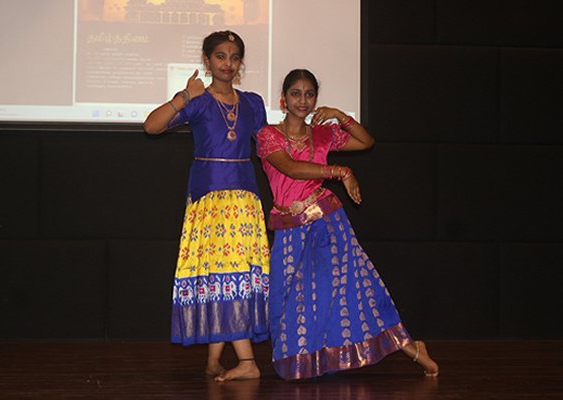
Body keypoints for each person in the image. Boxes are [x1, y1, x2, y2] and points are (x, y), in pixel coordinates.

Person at [256, 69, 439, 380]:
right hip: (288, 229)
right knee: (290, 297)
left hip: (325, 224)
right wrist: (340, 171)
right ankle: (309, 360)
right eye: (296, 93)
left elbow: (366, 141)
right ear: (283, 99)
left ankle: (410, 347)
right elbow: (290, 168)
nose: (303, 100)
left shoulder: (323, 134)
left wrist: (340, 115)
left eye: (309, 94)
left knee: (352, 288)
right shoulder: (268, 135)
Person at [144, 31, 270, 382]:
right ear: (207, 60)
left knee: (235, 275)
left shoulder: (253, 103)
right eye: (220, 56)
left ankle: (244, 362)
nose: (228, 63)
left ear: (240, 62)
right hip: (209, 202)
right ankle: (218, 361)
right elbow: (151, 126)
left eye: (234, 56)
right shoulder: (198, 101)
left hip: (244, 202)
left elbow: (270, 148)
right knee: (220, 276)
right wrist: (184, 96)